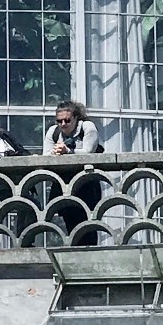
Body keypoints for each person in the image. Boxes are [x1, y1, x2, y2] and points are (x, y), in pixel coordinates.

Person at [44, 99, 103, 244]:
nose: (63, 124)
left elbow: (89, 152)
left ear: (76, 118)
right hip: (63, 181)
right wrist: (55, 152)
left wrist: (68, 151)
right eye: (59, 121)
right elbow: (45, 155)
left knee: (87, 222)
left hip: (86, 182)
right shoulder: (53, 131)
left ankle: (89, 252)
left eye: (67, 120)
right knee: (69, 219)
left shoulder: (87, 127)